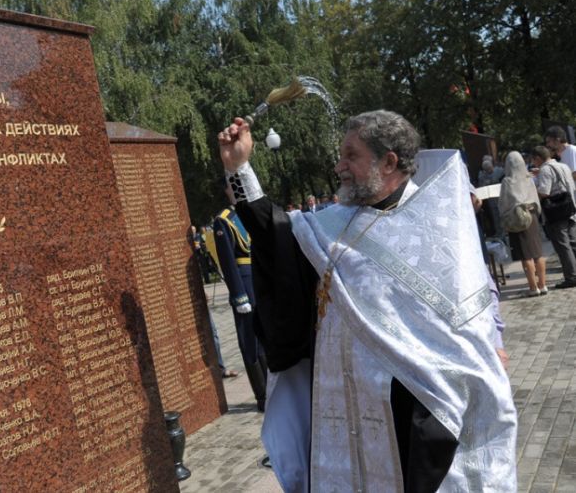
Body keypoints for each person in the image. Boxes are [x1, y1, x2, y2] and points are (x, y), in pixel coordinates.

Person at [218, 110, 516, 491]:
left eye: (351, 155)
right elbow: (273, 232)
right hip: (340, 404)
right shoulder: (330, 225)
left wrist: (493, 342)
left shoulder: (436, 225)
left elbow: (474, 300)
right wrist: (238, 168)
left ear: (388, 161)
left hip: (412, 402)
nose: (339, 166)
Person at [211, 189, 268, 411]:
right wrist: (238, 294)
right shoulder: (223, 221)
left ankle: (271, 387)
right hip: (244, 286)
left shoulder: (246, 215)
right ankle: (262, 395)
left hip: (257, 281)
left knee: (263, 338)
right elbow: (227, 261)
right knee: (249, 341)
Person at [499, 151, 547, 297]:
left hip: (517, 218)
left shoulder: (507, 181)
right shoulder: (529, 178)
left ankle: (533, 288)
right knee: (538, 253)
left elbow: (504, 203)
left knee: (525, 255)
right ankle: (543, 285)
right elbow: (536, 199)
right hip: (531, 216)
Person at [532, 145, 576, 289]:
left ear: (538, 158)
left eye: (533, 160)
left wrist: (532, 192)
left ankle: (571, 277)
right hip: (569, 208)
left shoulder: (545, 170)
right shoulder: (563, 166)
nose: (533, 163)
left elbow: (544, 192)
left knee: (563, 246)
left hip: (556, 212)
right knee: (572, 242)